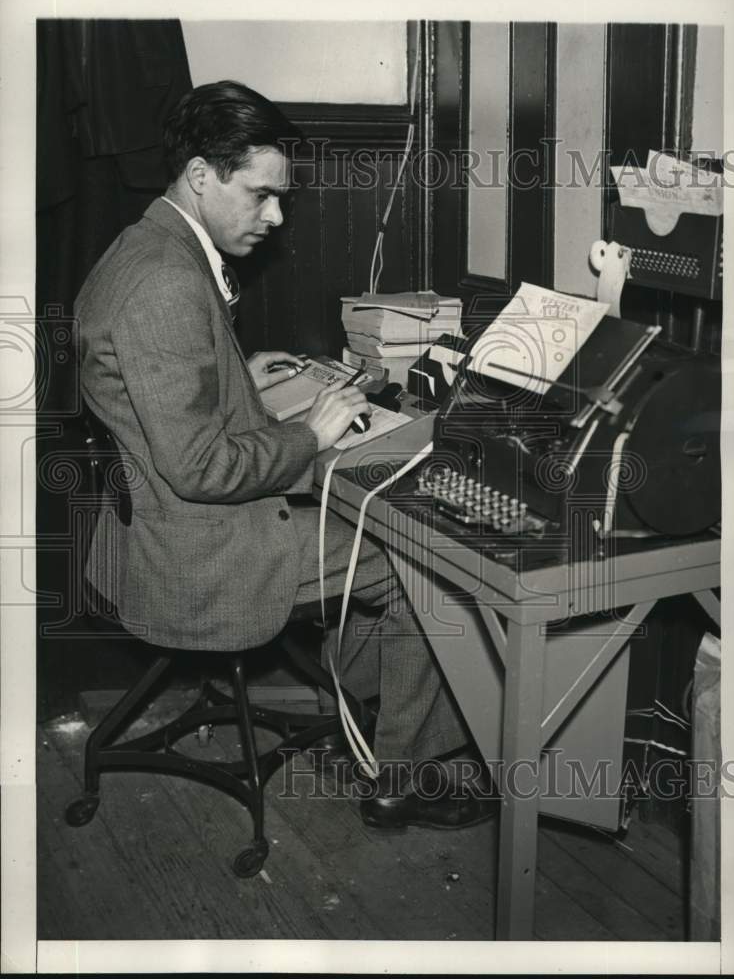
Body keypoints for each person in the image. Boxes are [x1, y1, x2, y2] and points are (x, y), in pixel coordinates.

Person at [76, 79, 494, 829]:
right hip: (200, 553)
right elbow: (201, 466)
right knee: (427, 567)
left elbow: (168, 392)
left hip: (149, 529)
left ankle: (366, 721)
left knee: (374, 534)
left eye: (282, 199)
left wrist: (243, 376)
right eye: (261, 195)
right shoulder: (166, 283)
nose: (274, 216)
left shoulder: (144, 242)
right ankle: (405, 772)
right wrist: (313, 432)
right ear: (201, 175)